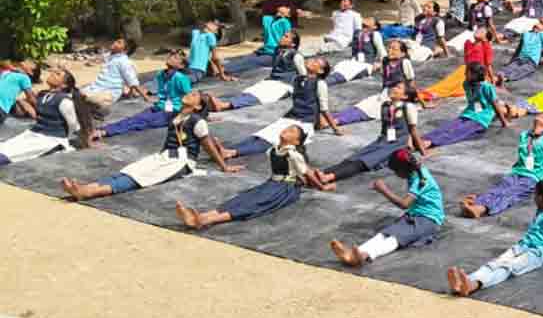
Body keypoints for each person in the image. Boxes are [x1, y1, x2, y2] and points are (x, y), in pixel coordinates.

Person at [61, 91, 242, 200]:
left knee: (141, 178)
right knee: (131, 170)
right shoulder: (177, 116)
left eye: (195, 95)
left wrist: (224, 167)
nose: (190, 93)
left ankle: (90, 192)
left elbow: (208, 144)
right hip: (165, 156)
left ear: (197, 107)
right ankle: (89, 186)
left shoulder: (197, 122)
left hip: (180, 162)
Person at [448, 180, 543, 297]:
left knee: (508, 268)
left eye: (535, 194)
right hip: (521, 246)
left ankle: (474, 285)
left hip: (535, 253)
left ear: (541, 198)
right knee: (496, 262)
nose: (533, 197)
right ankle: (465, 280)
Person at [176, 126, 325, 229]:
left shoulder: (294, 154)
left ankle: (204, 220)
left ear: (297, 142)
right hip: (271, 183)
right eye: (287, 128)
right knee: (241, 199)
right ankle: (201, 216)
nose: (287, 130)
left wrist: (321, 186)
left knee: (252, 204)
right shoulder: (273, 149)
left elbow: (307, 173)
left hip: (284, 188)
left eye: (292, 131)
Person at [330, 149, 444, 267]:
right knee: (385, 234)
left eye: (396, 171)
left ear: (404, 169)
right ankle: (355, 253)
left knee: (396, 238)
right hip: (415, 215)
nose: (396, 174)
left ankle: (364, 256)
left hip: (429, 220)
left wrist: (383, 190)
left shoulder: (421, 181)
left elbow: (404, 204)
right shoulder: (416, 169)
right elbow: (415, 161)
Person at [459, 114, 543, 218]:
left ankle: (481, 209)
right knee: (501, 187)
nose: (542, 115)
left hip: (533, 177)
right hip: (517, 172)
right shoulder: (524, 135)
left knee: (510, 194)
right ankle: (478, 202)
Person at [222, 58, 342, 157]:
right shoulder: (298, 79)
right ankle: (228, 148)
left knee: (272, 140)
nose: (311, 61)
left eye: (316, 62)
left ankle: (233, 152)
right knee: (261, 135)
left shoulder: (320, 84)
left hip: (303, 122)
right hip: (290, 117)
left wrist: (335, 128)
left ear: (320, 71)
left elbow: (324, 108)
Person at [310, 81, 424, 186]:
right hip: (383, 140)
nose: (393, 88)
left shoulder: (408, 107)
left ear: (405, 96)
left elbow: (412, 130)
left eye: (398, 88)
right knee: (355, 157)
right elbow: (385, 127)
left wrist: (422, 150)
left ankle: (329, 177)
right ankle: (323, 173)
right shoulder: (386, 105)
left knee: (365, 161)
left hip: (396, 144)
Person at [99, 51, 193, 138]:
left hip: (172, 112)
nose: (171, 57)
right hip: (159, 107)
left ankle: (106, 131)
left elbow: (191, 98)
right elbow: (161, 92)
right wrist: (150, 97)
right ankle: (104, 129)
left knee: (140, 121)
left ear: (181, 66)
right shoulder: (161, 74)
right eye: (171, 55)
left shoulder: (181, 78)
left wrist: (182, 117)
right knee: (135, 118)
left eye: (176, 58)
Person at [0, 68, 82, 166]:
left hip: (50, 139)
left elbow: (73, 124)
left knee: (14, 153)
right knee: (6, 146)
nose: (52, 74)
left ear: (64, 85)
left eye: (58, 74)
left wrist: (62, 138)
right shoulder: (44, 96)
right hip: (34, 133)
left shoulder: (64, 101)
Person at [421, 62, 510, 151]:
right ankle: (425, 138)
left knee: (458, 131)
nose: (464, 74)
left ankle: (431, 141)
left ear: (475, 75)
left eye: (467, 72)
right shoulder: (468, 84)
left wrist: (504, 122)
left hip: (480, 119)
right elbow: (489, 102)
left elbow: (495, 105)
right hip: (469, 114)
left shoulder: (483, 86)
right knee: (450, 127)